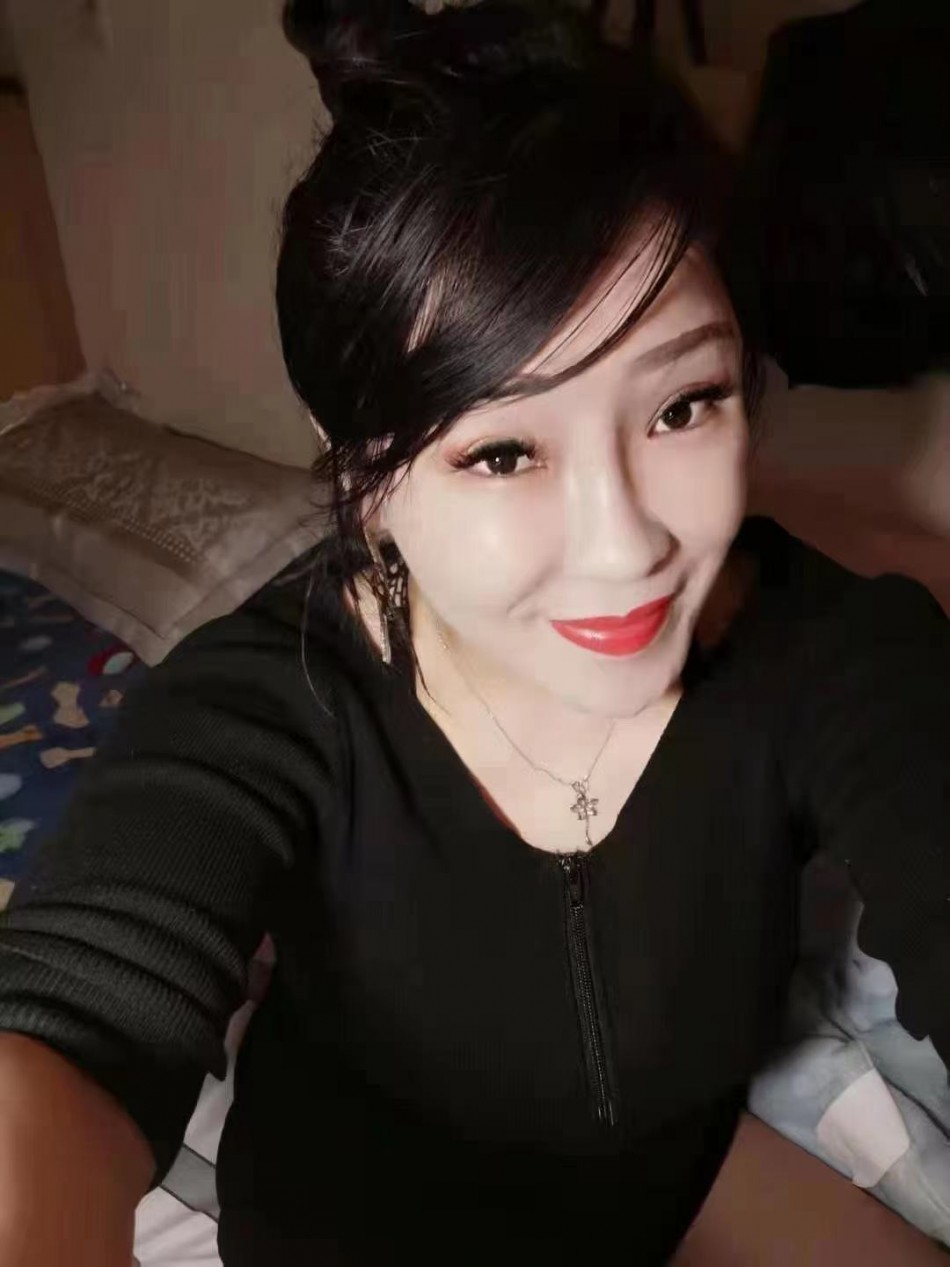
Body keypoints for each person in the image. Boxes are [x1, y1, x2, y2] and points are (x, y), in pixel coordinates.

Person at [0, 2, 948, 1264]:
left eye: (681, 405)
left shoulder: (828, 648)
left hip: (671, 1170)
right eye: (501, 451)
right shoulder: (267, 701)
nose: (624, 545)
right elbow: (66, 1025)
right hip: (361, 1225)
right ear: (360, 471)